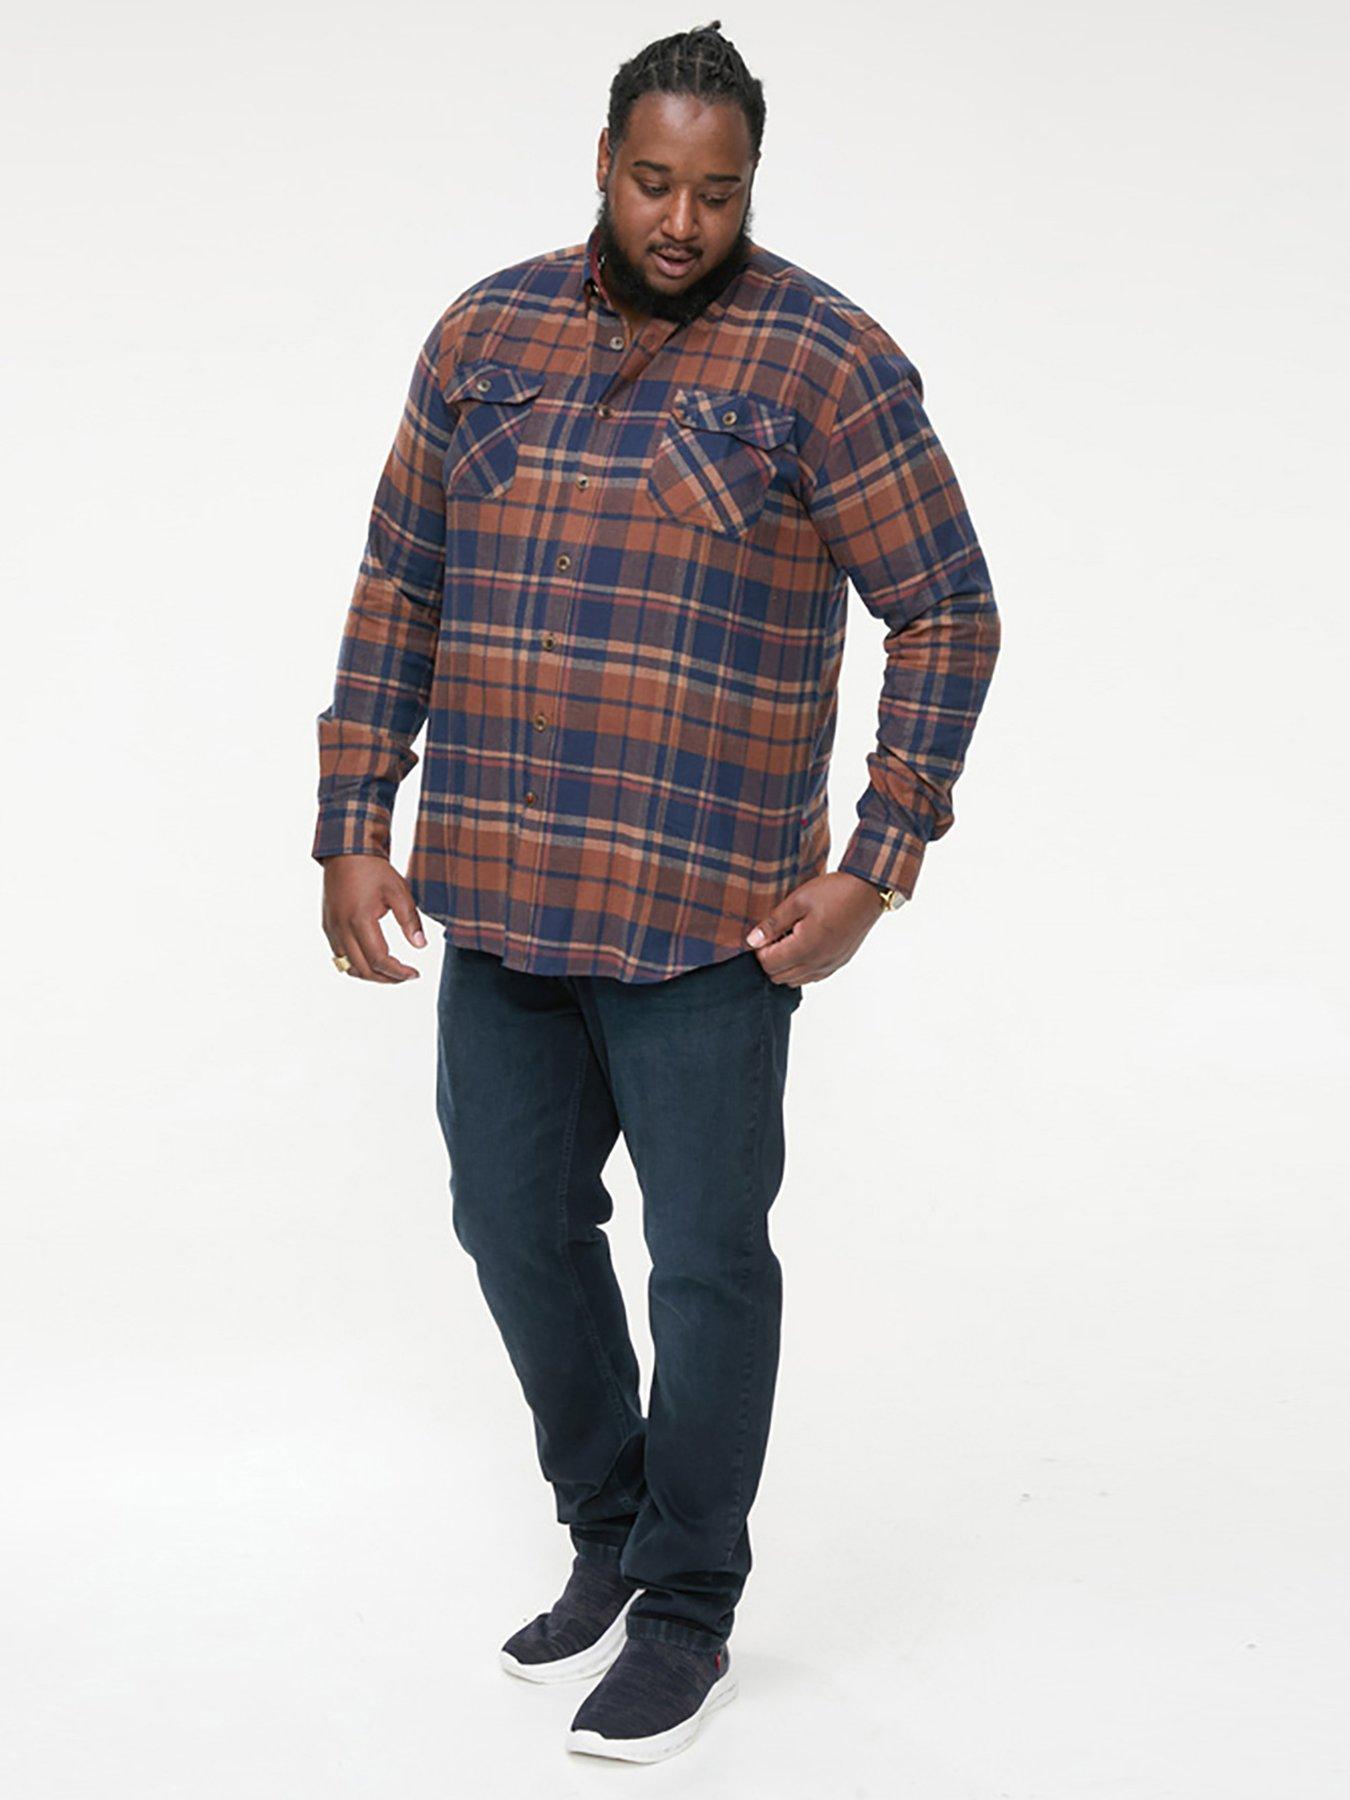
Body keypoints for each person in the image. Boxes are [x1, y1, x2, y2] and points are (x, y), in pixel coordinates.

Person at [312, 19, 999, 1764]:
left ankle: (688, 1605)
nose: (680, 220)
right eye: (651, 180)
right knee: (508, 1225)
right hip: (501, 895)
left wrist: (876, 866)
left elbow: (945, 610)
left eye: (716, 191)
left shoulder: (826, 361)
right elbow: (399, 584)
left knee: (703, 1268)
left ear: (749, 188)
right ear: (602, 164)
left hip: (706, 923)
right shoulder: (484, 336)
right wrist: (352, 818)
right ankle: (609, 1528)